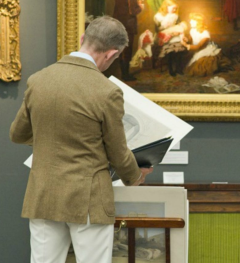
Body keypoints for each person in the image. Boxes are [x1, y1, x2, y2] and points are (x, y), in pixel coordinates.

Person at [9, 16, 153, 263]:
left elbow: (17, 134)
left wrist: (51, 138)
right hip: (89, 200)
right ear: (111, 54)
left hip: (43, 194)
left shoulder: (38, 80)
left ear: (82, 39)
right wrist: (134, 176)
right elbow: (118, 151)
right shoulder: (106, 91)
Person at [113, 0, 145, 81]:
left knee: (121, 50)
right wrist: (140, 6)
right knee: (127, 50)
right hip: (128, 26)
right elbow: (133, 11)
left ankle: (123, 74)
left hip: (117, 24)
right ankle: (125, 75)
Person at [154, 0, 187, 76]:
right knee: (171, 51)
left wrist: (177, 31)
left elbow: (180, 25)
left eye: (175, 9)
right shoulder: (158, 16)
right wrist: (165, 27)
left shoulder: (175, 16)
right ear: (166, 7)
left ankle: (178, 69)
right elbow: (157, 29)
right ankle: (171, 69)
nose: (175, 10)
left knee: (179, 49)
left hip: (175, 34)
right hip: (163, 35)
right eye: (173, 8)